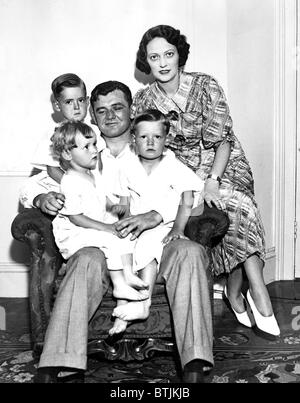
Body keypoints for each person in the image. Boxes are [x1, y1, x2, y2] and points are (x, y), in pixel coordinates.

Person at [20, 80, 228, 383]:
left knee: (190, 252)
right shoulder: (85, 147)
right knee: (86, 259)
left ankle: (195, 363)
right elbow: (34, 185)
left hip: (157, 243)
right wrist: (40, 198)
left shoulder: (150, 146)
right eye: (101, 110)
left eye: (118, 108)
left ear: (132, 111)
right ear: (92, 112)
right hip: (102, 244)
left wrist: (156, 215)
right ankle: (55, 364)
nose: (110, 116)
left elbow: (195, 202)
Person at [130, 24, 280, 337]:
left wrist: (213, 179)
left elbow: (223, 140)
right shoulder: (143, 100)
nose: (162, 62)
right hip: (181, 176)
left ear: (179, 54)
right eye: (154, 56)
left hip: (222, 164)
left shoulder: (204, 85)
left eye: (168, 54)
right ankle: (236, 292)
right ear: (146, 61)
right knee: (217, 216)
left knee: (240, 205)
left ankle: (257, 290)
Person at [111, 109, 205, 335]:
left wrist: (177, 228)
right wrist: (123, 224)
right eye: (144, 137)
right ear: (134, 140)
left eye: (157, 137)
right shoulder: (127, 167)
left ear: (166, 139)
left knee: (148, 246)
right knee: (119, 251)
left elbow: (188, 199)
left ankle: (145, 301)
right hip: (135, 224)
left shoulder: (174, 166)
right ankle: (122, 309)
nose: (150, 142)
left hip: (162, 226)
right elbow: (124, 203)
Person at [50, 120, 148, 303]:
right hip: (74, 233)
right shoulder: (70, 181)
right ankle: (120, 285)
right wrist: (106, 227)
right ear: (66, 153)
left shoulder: (91, 174)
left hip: (89, 225)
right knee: (111, 237)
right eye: (86, 147)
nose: (94, 150)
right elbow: (76, 218)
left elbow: (102, 197)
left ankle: (128, 273)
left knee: (124, 235)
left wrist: (114, 206)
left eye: (94, 144)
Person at [20, 73, 105, 209]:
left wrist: (95, 184)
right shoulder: (54, 133)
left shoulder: (93, 130)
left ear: (88, 101)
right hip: (61, 180)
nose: (76, 107)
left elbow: (99, 162)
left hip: (89, 179)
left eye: (81, 100)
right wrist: (75, 186)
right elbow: (52, 170)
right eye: (69, 102)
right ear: (58, 106)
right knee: (31, 188)